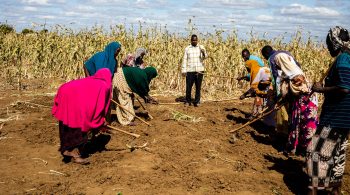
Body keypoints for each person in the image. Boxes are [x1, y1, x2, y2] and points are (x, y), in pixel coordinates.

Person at [307, 26, 350, 195]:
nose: (327, 47)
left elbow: (345, 88)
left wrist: (320, 89)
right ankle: (334, 189)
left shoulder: (343, 59)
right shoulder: (347, 58)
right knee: (337, 154)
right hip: (344, 118)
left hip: (336, 117)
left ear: (335, 42)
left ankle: (315, 190)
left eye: (328, 43)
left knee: (316, 154)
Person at [261, 45, 318, 156]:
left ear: (265, 55)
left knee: (295, 119)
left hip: (295, 87)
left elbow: (276, 77)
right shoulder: (286, 53)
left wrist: (278, 97)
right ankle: (304, 147)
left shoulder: (272, 58)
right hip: (302, 83)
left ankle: (292, 145)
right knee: (304, 119)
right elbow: (298, 65)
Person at [52, 68, 112, 164]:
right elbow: (99, 107)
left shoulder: (91, 80)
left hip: (64, 92)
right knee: (80, 125)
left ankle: (67, 149)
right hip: (73, 99)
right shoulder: (104, 86)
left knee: (67, 124)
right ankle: (76, 155)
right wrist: (100, 120)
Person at [181, 34, 208, 107]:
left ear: (197, 40)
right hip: (190, 70)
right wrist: (183, 70)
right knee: (188, 87)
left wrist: (203, 52)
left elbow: (205, 57)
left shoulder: (201, 47)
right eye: (193, 40)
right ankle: (187, 101)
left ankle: (197, 101)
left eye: (195, 40)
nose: (194, 41)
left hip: (199, 70)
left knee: (198, 87)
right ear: (191, 40)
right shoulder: (187, 48)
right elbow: (184, 59)